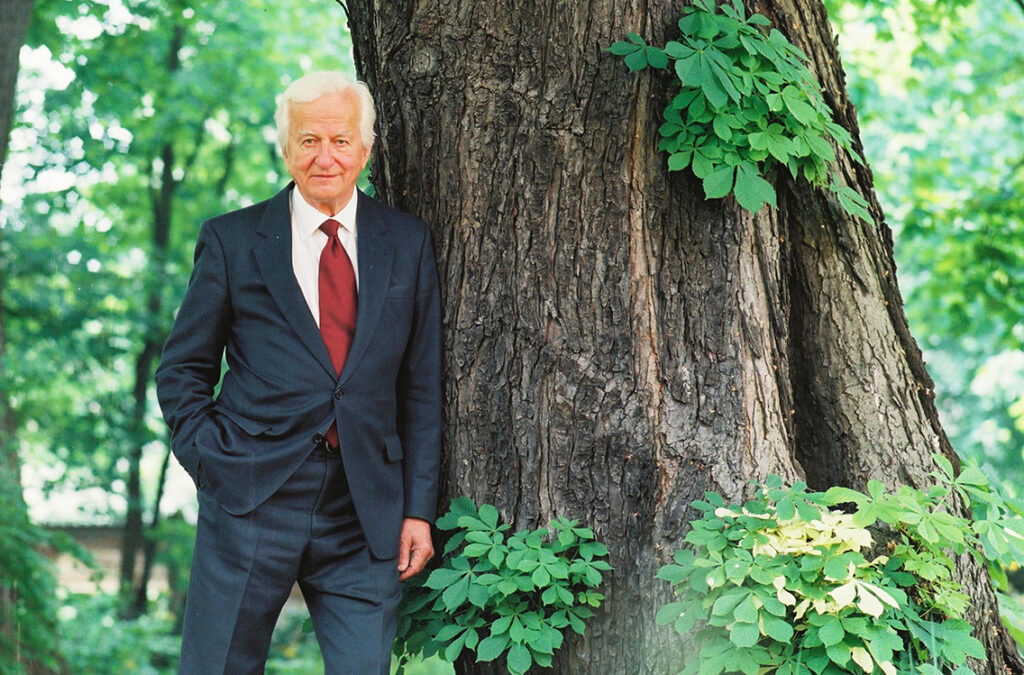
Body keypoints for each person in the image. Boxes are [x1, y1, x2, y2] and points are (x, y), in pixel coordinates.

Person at [154, 70, 441, 674]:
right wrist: (213, 461)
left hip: (366, 507)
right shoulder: (232, 241)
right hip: (252, 495)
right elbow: (183, 368)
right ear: (286, 149)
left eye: (340, 140)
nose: (325, 156)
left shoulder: (407, 242)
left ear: (365, 149)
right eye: (308, 140)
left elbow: (420, 385)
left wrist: (417, 508)